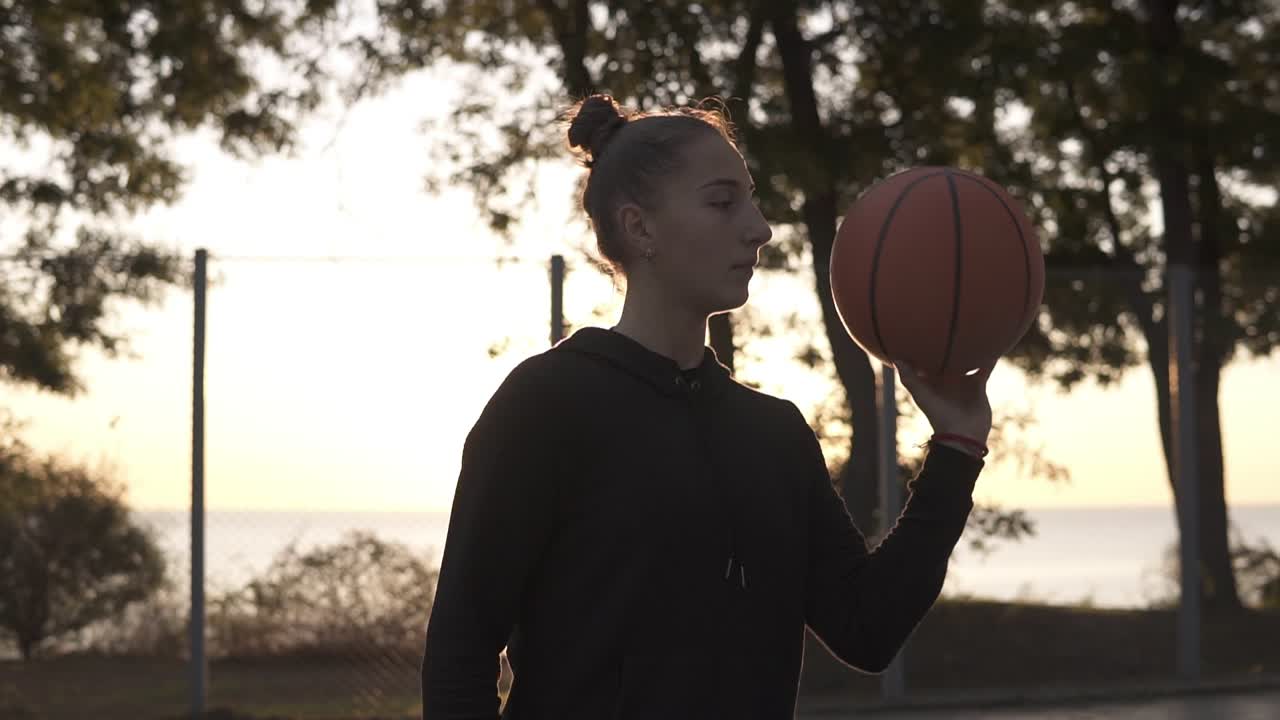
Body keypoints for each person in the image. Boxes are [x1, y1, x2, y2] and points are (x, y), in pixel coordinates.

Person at [421, 93, 994, 719]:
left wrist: (957, 447)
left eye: (751, 199)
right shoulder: (547, 405)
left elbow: (868, 629)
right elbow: (460, 656)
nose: (760, 227)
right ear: (639, 227)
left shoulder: (774, 433)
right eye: (723, 202)